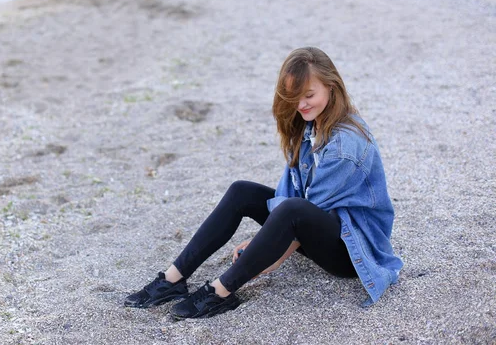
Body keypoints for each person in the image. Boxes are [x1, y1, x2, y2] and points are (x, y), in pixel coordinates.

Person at [124, 47, 403, 319]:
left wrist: (272, 254)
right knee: (241, 191)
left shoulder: (345, 144)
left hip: (351, 249)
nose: (301, 104)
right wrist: (268, 239)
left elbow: (305, 209)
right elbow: (290, 193)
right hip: (317, 222)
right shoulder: (312, 123)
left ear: (332, 87)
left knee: (293, 210)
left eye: (309, 95)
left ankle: (219, 293)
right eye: (295, 96)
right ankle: (173, 280)